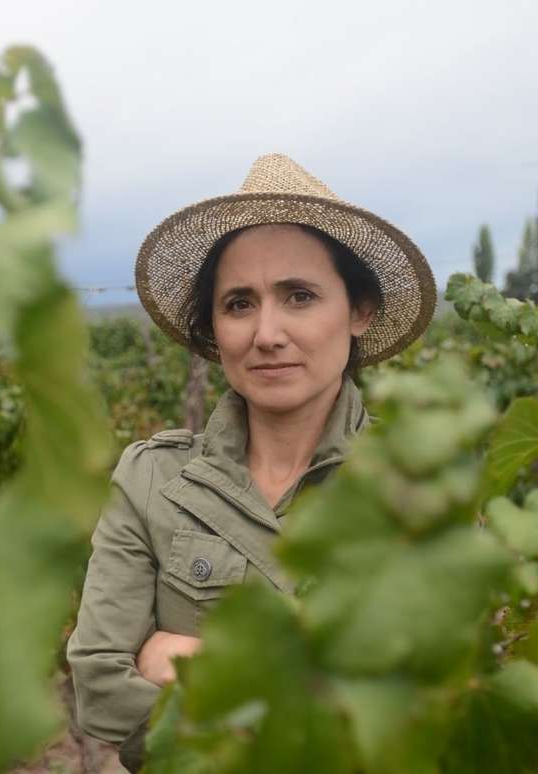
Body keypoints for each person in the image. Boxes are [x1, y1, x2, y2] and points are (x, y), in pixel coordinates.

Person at [66, 153, 437, 772]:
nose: (266, 333)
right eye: (239, 303)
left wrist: (195, 665)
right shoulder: (152, 479)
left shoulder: (418, 487)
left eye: (299, 295)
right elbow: (102, 694)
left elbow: (426, 717)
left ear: (359, 310)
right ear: (214, 327)